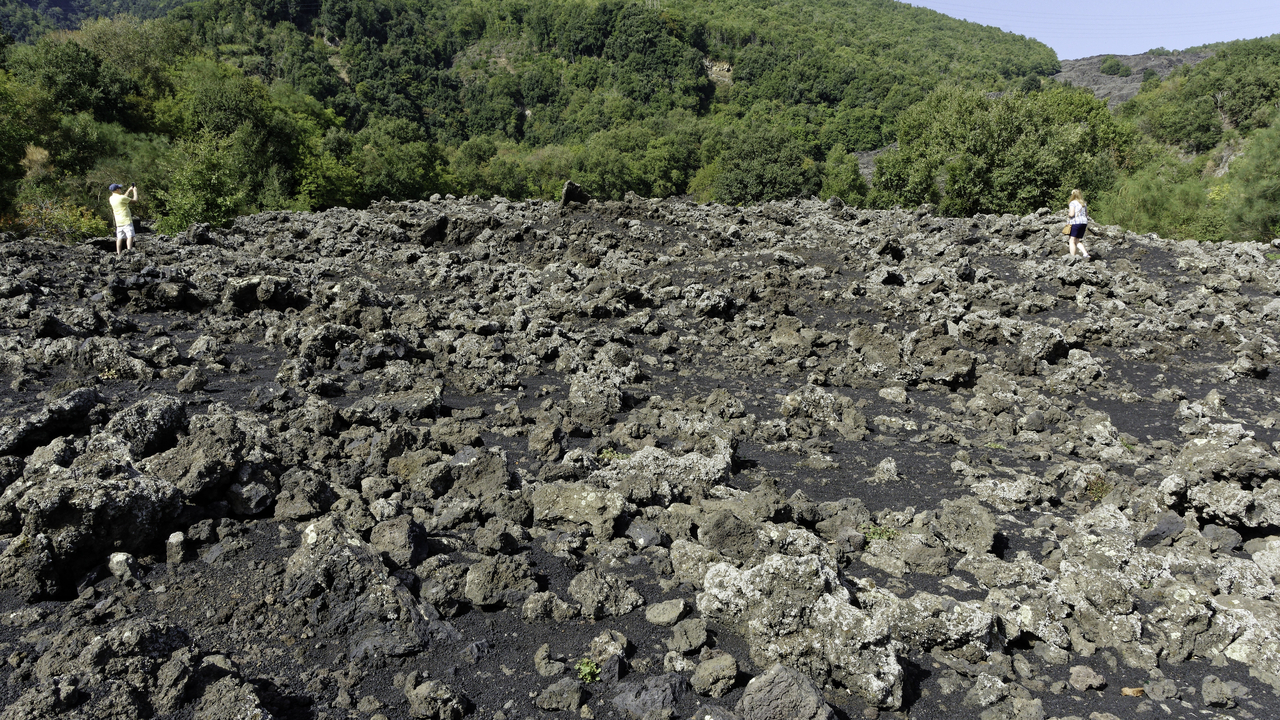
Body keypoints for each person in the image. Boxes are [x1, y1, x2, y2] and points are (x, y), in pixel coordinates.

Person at [108, 183, 139, 256]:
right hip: (126, 220)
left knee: (119, 237)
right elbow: (135, 201)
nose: (120, 189)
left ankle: (118, 253)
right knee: (130, 236)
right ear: (117, 190)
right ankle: (129, 251)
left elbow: (123, 198)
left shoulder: (111, 198)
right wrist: (135, 191)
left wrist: (129, 190)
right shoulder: (121, 198)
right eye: (119, 188)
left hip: (118, 222)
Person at [1066, 188, 1091, 260]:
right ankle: (1085, 254)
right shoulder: (1084, 203)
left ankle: (1072, 257)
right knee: (1077, 240)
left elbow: (1071, 214)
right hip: (1084, 222)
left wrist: (1068, 214)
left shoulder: (1072, 203)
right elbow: (1086, 214)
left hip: (1075, 222)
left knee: (1071, 240)